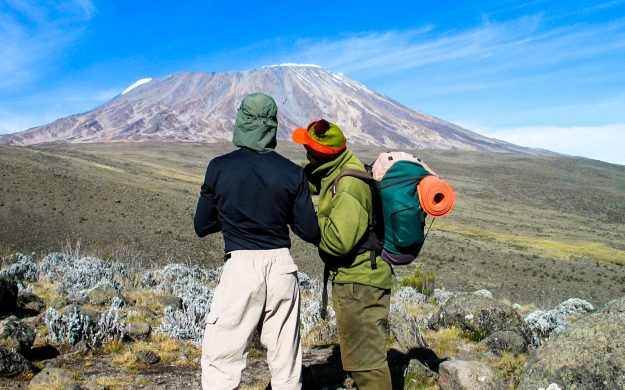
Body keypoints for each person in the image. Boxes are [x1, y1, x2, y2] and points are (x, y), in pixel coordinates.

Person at [194, 93, 320, 390]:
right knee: (285, 358)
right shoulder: (292, 173)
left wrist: (232, 217)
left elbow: (202, 225)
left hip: (240, 268)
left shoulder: (219, 168)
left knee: (222, 358)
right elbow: (310, 231)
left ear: (241, 122)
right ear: (273, 126)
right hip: (282, 269)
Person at [292, 119, 394, 390]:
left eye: (308, 149)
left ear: (322, 155)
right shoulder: (335, 169)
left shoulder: (349, 185)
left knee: (367, 364)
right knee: (362, 358)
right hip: (356, 281)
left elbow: (338, 242)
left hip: (360, 284)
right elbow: (313, 178)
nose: (305, 153)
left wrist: (310, 221)